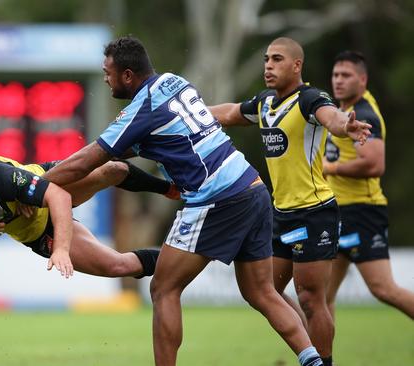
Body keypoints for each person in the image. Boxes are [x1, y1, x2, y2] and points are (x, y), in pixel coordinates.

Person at [42, 36, 326, 366]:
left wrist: (34, 187)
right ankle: (314, 362)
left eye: (108, 72)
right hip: (253, 187)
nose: (105, 78)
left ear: (128, 75)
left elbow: (87, 160)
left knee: (164, 288)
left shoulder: (141, 108)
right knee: (261, 292)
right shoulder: (175, 82)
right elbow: (160, 140)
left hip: (218, 197)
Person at [209, 37, 372, 366]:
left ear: (296, 65)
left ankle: (323, 362)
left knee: (312, 298)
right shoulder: (266, 102)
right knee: (262, 289)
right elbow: (227, 112)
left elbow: (332, 118)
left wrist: (346, 125)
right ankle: (309, 352)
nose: (268, 65)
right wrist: (186, 114)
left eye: (277, 59)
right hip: (281, 214)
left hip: (314, 214)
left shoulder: (310, 99)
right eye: (267, 59)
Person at [0, 155, 179, 278]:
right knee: (119, 266)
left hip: (51, 183)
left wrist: (61, 250)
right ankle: (186, 256)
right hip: (38, 233)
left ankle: (170, 189)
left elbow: (60, 198)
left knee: (113, 170)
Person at [324, 50, 414, 319]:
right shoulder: (342, 111)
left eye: (346, 75)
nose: (338, 80)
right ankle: (320, 360)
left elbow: (375, 165)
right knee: (319, 297)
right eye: (335, 75)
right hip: (338, 212)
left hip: (362, 212)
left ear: (362, 80)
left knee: (383, 289)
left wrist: (332, 168)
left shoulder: (365, 115)